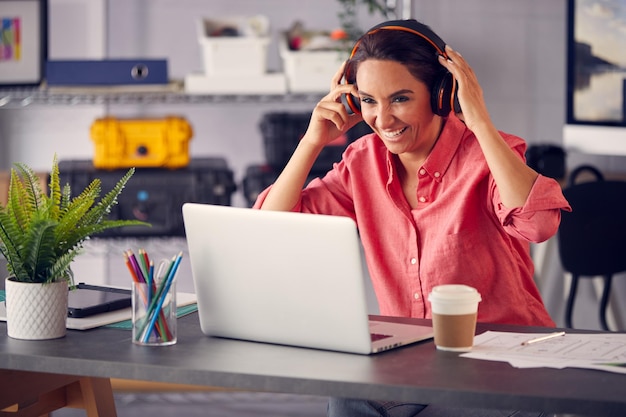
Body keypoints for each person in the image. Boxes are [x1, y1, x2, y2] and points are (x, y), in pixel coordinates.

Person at [254, 19, 571, 417]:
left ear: (442, 94)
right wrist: (313, 139)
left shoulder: (489, 155)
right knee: (347, 397)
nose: (383, 119)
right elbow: (269, 230)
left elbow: (539, 225)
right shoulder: (362, 161)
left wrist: (478, 120)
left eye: (400, 99)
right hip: (414, 366)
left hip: (503, 366)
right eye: (368, 101)